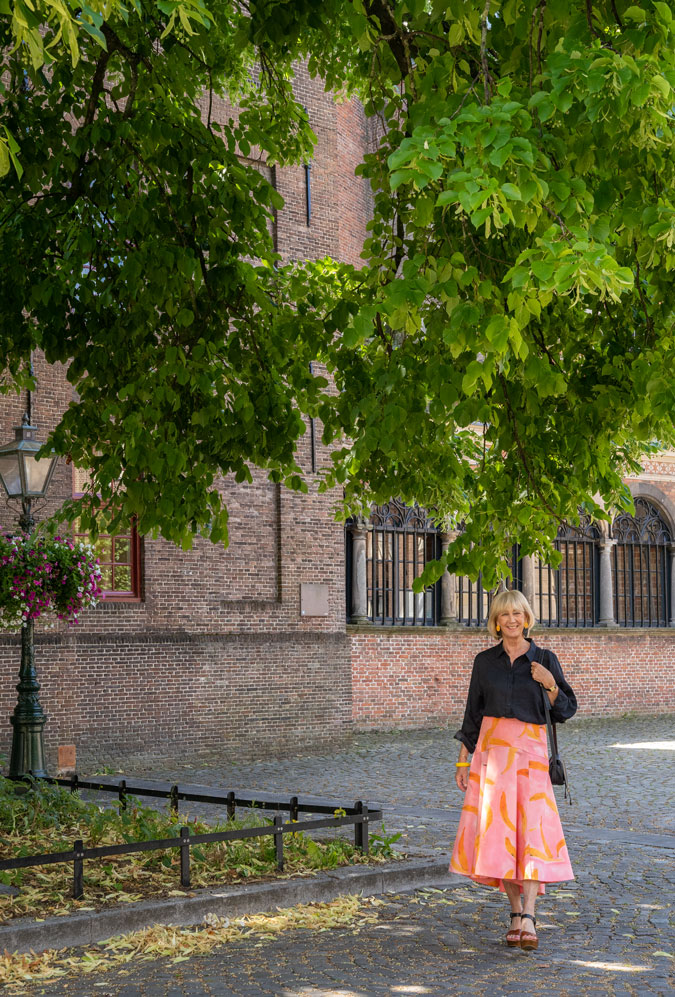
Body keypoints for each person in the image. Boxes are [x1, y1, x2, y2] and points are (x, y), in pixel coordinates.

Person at [449, 589, 576, 951]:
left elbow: (566, 709)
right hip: (492, 758)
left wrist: (549, 683)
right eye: (504, 615)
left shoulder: (544, 658)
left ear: (527, 618)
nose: (511, 620)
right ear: (496, 621)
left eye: (517, 614)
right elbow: (472, 715)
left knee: (532, 834)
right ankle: (515, 914)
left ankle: (531, 916)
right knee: (500, 835)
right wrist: (463, 760)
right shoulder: (484, 661)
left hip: (531, 757)